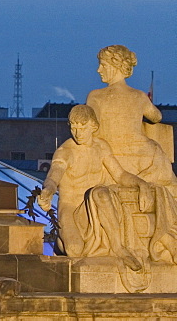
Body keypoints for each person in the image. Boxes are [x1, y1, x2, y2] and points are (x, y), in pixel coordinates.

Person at [38, 104, 151, 260]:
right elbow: (53, 176)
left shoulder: (101, 147)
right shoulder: (65, 151)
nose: (77, 133)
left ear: (93, 126)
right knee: (75, 250)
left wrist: (141, 184)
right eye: (73, 128)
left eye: (82, 128)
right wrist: (48, 191)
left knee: (101, 193)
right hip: (69, 208)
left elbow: (120, 175)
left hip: (93, 206)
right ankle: (61, 241)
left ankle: (118, 247)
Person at [85, 44, 163, 176]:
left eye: (103, 65)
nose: (99, 70)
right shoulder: (139, 96)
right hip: (141, 157)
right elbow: (157, 117)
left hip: (110, 159)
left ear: (116, 67)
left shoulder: (96, 96)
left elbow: (91, 127)